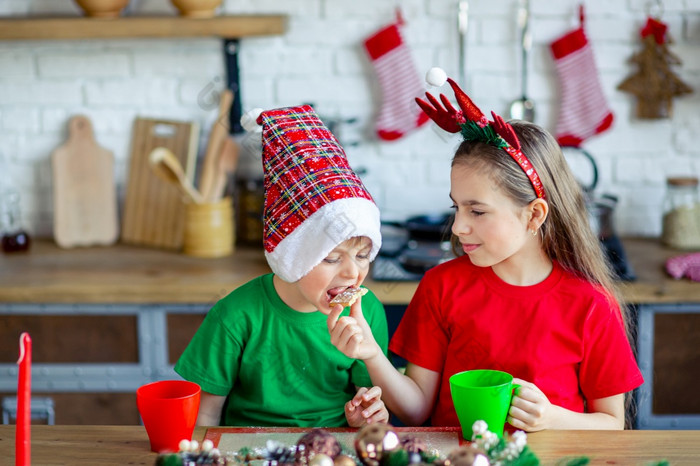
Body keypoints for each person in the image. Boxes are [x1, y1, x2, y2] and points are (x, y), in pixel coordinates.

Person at [327, 74, 644, 431]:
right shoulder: (441, 286)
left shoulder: (591, 304)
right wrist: (370, 353)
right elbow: (416, 411)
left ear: (534, 214)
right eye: (456, 209)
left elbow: (611, 426)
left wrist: (553, 418)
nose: (459, 227)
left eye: (477, 211)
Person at [175, 105, 390, 427]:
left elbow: (370, 406)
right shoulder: (236, 315)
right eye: (331, 258)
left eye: (362, 256)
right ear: (293, 256)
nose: (352, 273)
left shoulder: (366, 310)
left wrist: (366, 417)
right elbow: (205, 414)